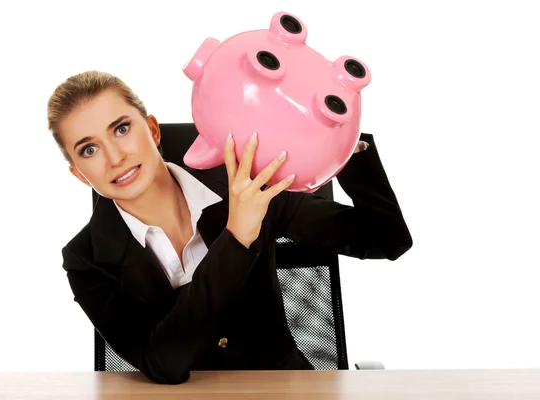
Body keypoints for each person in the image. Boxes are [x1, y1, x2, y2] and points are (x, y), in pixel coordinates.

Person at [47, 70, 412, 385]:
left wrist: (340, 139)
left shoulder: (244, 183)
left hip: (287, 391)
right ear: (79, 174)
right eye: (88, 150)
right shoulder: (86, 258)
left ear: (153, 130)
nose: (115, 157)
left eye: (122, 129)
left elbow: (386, 239)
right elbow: (164, 364)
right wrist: (237, 237)